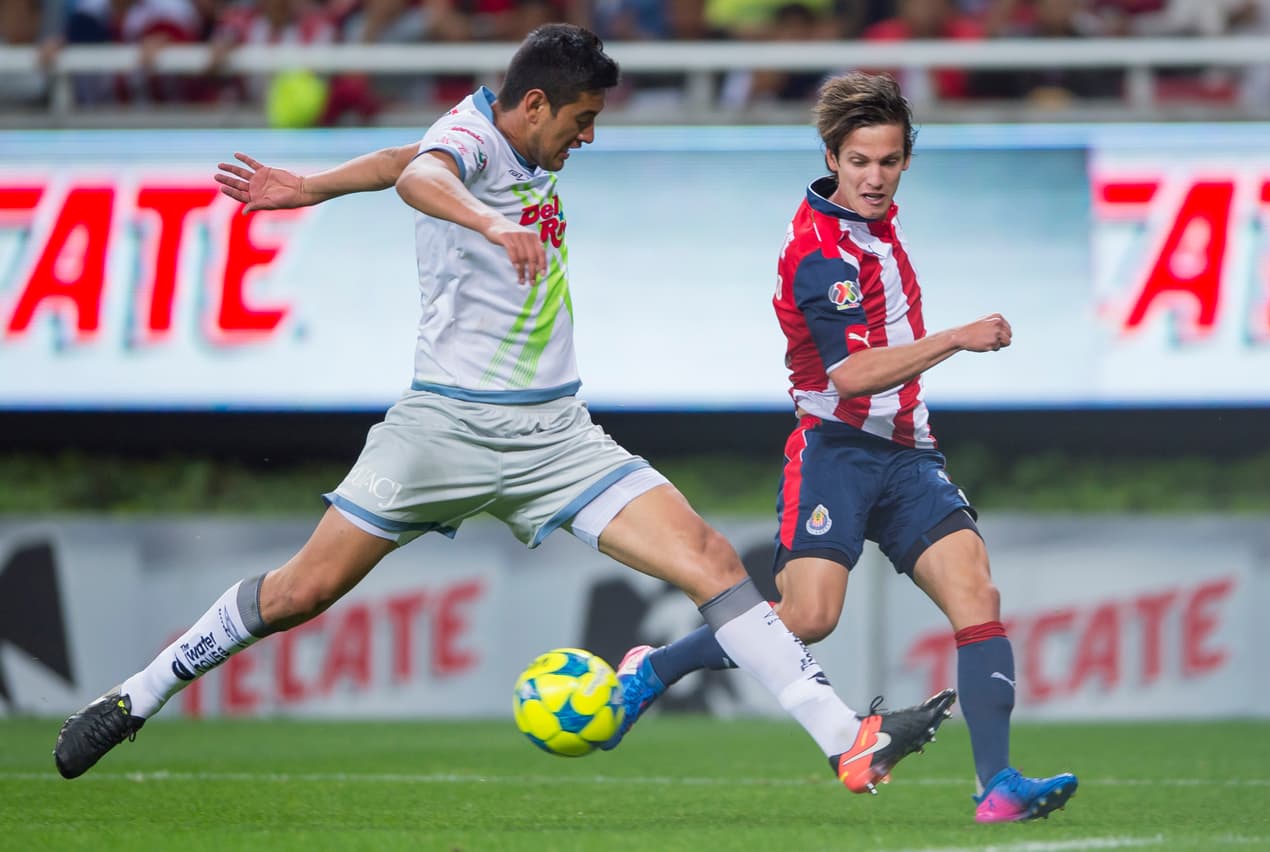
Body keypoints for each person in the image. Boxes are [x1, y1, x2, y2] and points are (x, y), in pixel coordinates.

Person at [52, 25, 955, 797]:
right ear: (534, 105)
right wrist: (491, 226)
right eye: (581, 121)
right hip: (444, 427)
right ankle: (136, 695)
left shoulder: (502, 136)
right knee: (301, 592)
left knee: (711, 560)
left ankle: (847, 741)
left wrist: (316, 186)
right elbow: (426, 177)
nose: (587, 138)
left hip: (557, 435)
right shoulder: (473, 144)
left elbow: (399, 160)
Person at [602, 71, 1080, 823]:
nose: (875, 177)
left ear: (906, 161)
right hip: (837, 450)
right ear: (833, 156)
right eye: (860, 162)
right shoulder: (825, 255)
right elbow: (851, 374)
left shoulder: (873, 226)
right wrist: (955, 337)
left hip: (908, 452)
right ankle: (654, 666)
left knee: (977, 595)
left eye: (888, 162)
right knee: (808, 617)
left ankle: (997, 787)